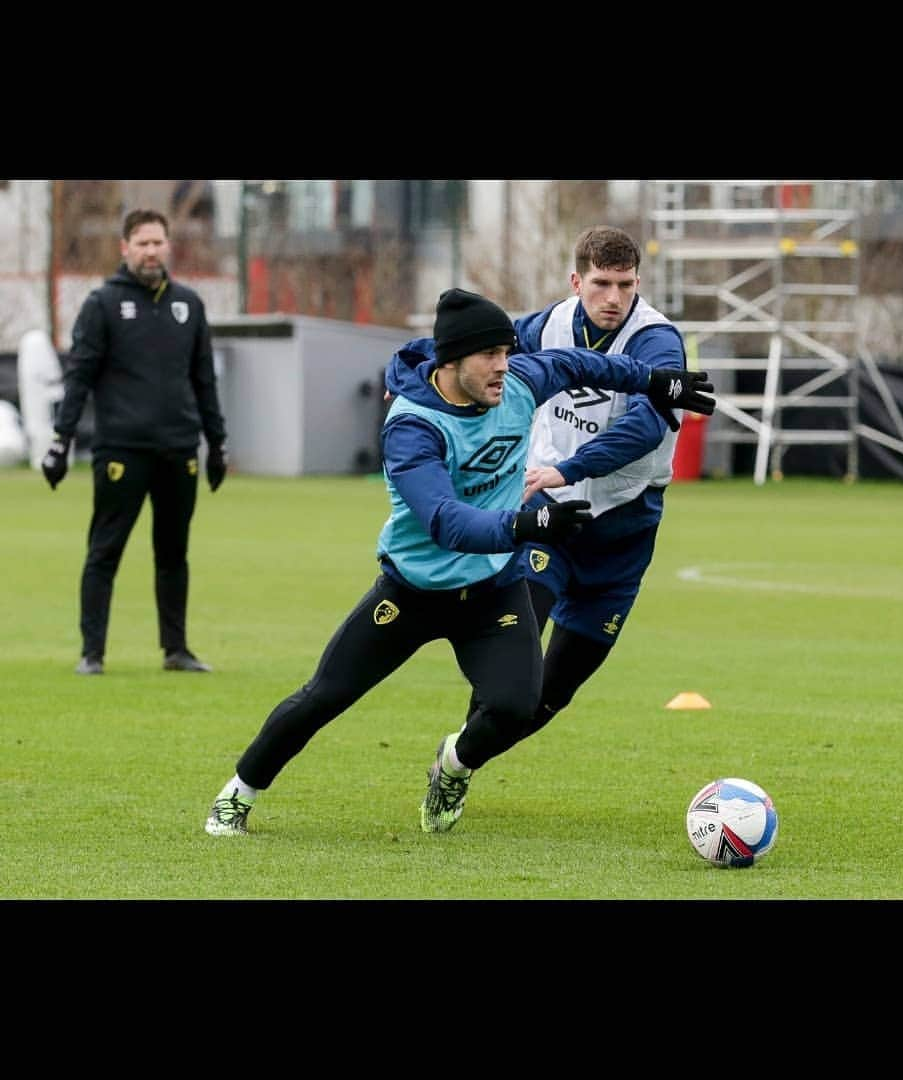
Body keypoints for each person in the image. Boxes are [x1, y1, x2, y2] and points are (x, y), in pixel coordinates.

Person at [203, 287, 713, 836]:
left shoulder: (516, 381)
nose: (503, 366)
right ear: (451, 362)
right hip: (413, 593)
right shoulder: (412, 426)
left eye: (507, 352)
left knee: (519, 706)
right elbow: (445, 521)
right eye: (489, 356)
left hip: (494, 591)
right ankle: (239, 792)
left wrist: (659, 382)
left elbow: (573, 364)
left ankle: (453, 766)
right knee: (324, 696)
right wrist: (527, 524)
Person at [448, 225, 691, 811]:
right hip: (548, 520)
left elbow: (646, 426)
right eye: (601, 284)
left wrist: (568, 467)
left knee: (551, 695)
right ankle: (453, 776)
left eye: (625, 285)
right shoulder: (541, 327)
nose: (613, 298)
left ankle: (458, 757)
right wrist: (403, 371)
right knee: (515, 663)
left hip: (623, 536)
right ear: (576, 281)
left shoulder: (657, 341)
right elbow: (465, 350)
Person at [41, 209, 228, 676]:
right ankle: (92, 653)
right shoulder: (102, 303)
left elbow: (204, 380)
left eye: (157, 242)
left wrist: (217, 444)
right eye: (141, 243)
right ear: (125, 248)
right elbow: (79, 376)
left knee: (172, 553)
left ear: (169, 246)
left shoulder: (189, 305)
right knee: (105, 550)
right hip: (121, 451)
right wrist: (60, 441)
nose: (150, 251)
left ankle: (176, 650)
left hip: (178, 449)